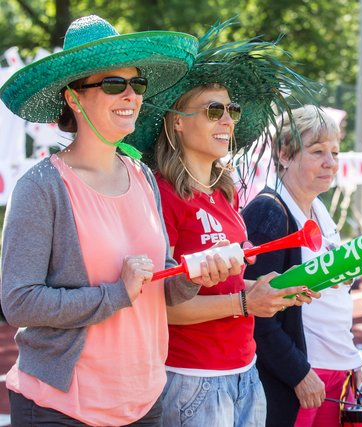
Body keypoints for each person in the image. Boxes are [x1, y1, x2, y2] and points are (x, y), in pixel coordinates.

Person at [0, 15, 243, 426]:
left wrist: (193, 276)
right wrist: (114, 294)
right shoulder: (41, 186)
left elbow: (158, 285)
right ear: (74, 98)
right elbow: (18, 302)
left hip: (145, 401)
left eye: (137, 84)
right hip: (62, 409)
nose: (131, 94)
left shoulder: (143, 177)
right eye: (114, 84)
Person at [125, 23, 318, 426]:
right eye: (214, 110)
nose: (227, 120)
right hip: (191, 379)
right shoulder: (159, 193)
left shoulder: (224, 193)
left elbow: (223, 281)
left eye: (232, 110)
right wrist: (247, 303)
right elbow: (160, 306)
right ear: (177, 121)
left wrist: (273, 291)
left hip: (243, 371)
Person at [242, 106, 362, 427]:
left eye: (335, 152)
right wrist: (298, 374)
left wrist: (351, 361)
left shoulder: (320, 210)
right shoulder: (269, 214)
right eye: (317, 151)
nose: (330, 163)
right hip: (303, 377)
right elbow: (255, 313)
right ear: (284, 154)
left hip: (338, 371)